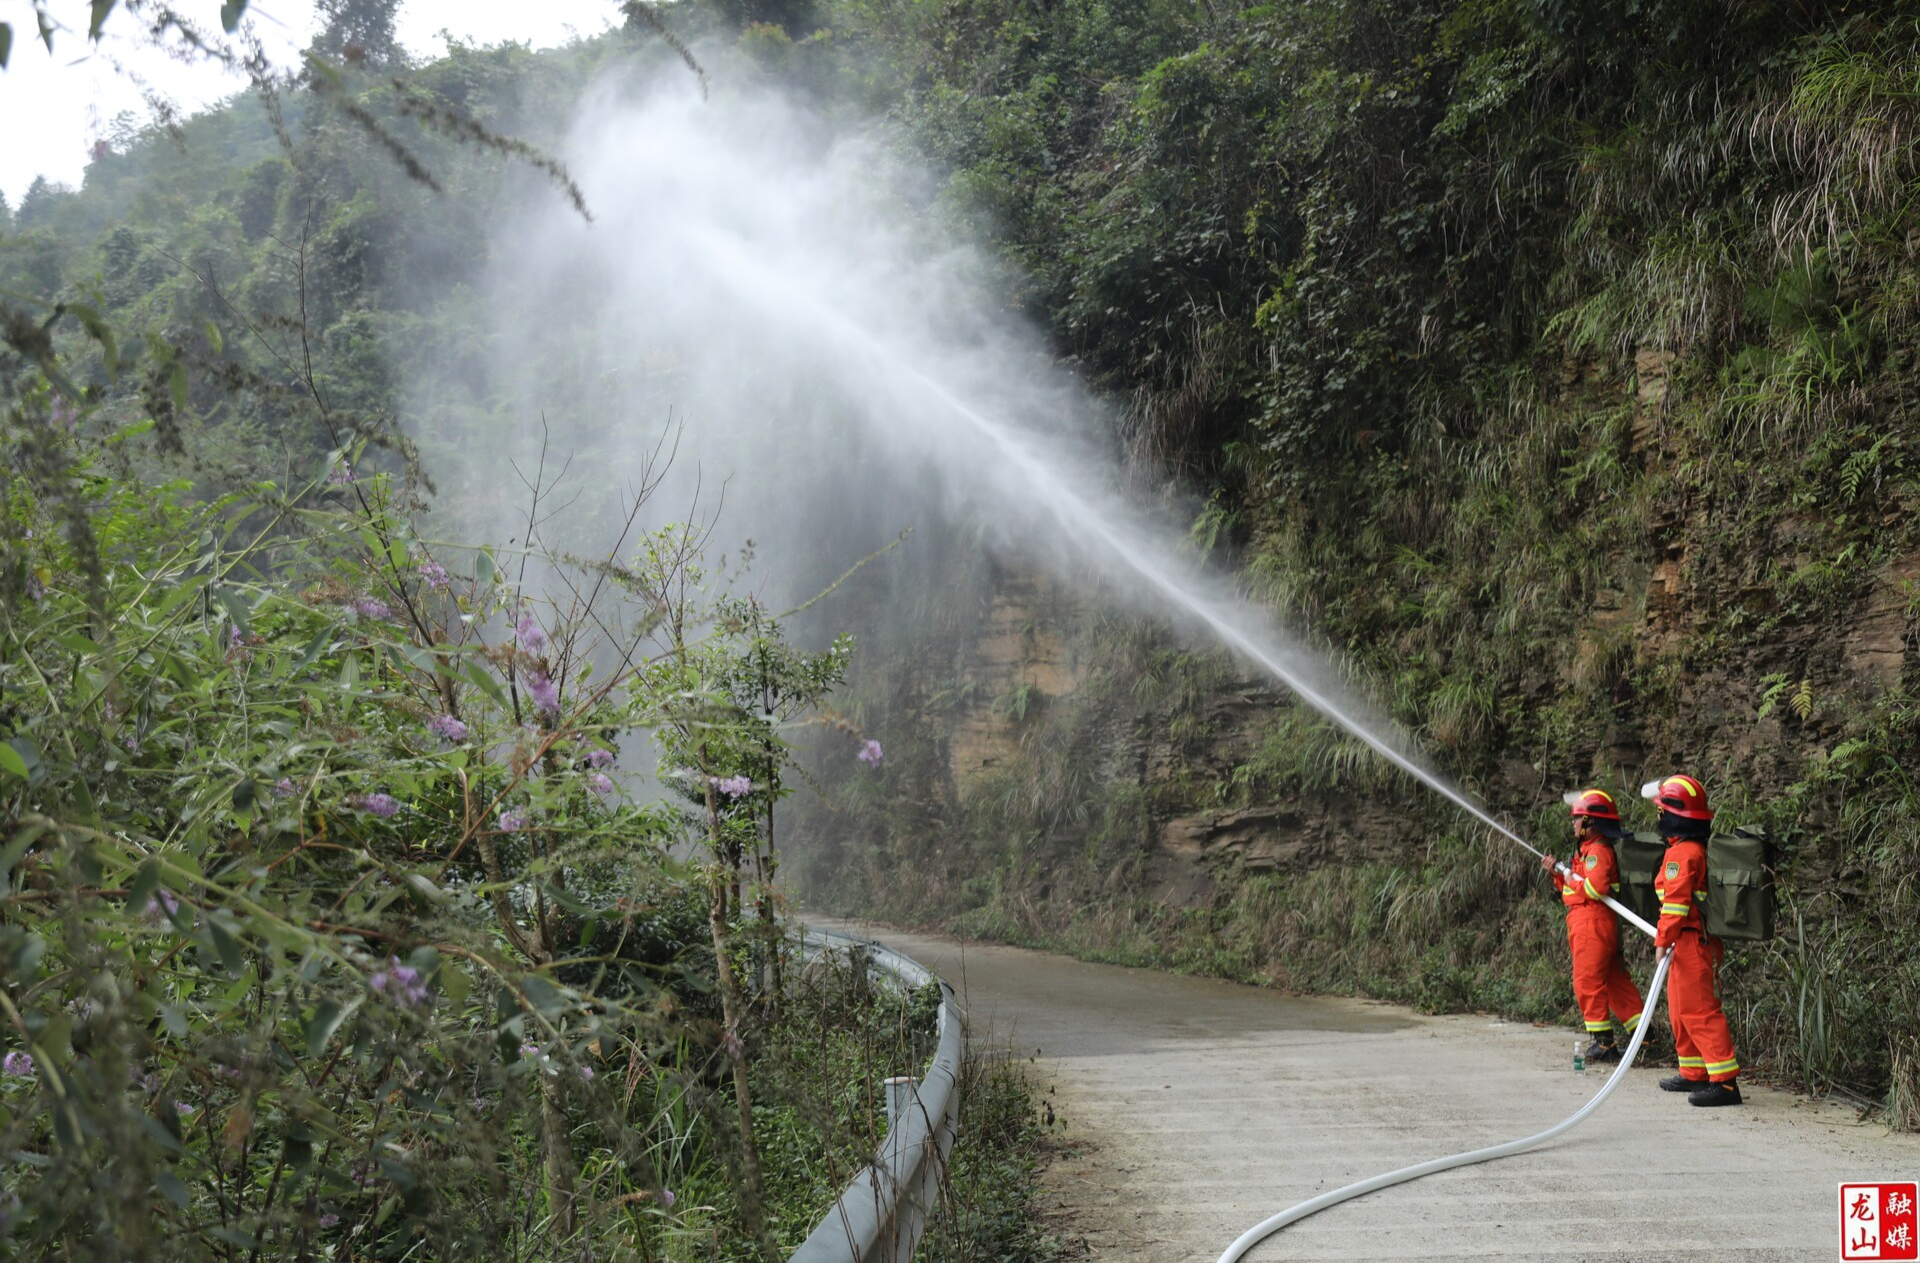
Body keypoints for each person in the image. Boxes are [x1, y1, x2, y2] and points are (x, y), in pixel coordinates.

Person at [1645, 772, 1742, 1106]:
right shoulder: (1686, 849)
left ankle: (1726, 1083)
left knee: (1700, 1011)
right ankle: (1694, 1072)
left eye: (1660, 810)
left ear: (1673, 816)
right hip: (1685, 943)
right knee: (1680, 1011)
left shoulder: (1683, 854)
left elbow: (1675, 904)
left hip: (1690, 943)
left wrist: (1661, 940)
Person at [1541, 789, 1643, 1063]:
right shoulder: (1590, 851)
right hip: (1597, 922)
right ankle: (1644, 1037)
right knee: (1614, 982)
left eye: (1577, 819)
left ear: (1590, 822)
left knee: (1587, 981)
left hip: (1591, 923)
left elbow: (1594, 888)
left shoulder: (1597, 851)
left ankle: (1604, 1043)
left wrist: (1569, 877)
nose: (1573, 823)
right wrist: (1558, 874)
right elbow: (1579, 886)